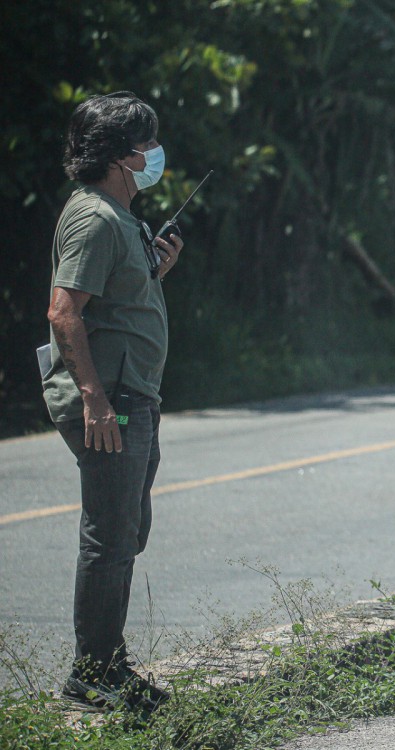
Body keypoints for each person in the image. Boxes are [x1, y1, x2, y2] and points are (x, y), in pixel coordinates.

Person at [43, 91, 183, 713]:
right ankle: (93, 672)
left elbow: (112, 300)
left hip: (133, 394)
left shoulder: (122, 218)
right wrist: (95, 399)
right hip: (114, 399)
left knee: (127, 529)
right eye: (147, 144)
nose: (155, 154)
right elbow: (63, 310)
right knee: (109, 534)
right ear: (123, 157)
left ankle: (106, 660)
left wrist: (153, 269)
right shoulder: (95, 217)